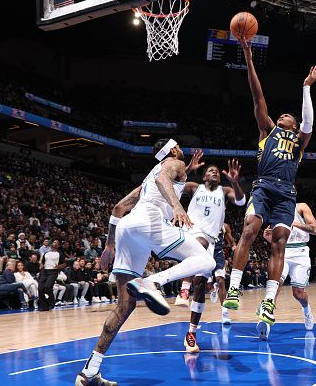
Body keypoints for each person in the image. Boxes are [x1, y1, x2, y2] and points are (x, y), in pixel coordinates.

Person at [75, 139, 216, 386]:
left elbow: (119, 208)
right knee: (206, 262)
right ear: (173, 150)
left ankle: (89, 372)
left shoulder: (152, 176)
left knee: (124, 306)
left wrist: (109, 245)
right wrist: (177, 206)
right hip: (150, 223)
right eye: (179, 147)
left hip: (127, 228)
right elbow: (165, 180)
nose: (182, 150)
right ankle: (152, 282)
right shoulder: (175, 162)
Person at [223, 40, 316, 327]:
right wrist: (249, 59)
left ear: (293, 124)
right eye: (282, 115)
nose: (283, 115)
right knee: (250, 230)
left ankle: (268, 301)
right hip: (264, 186)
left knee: (279, 244)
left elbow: (309, 122)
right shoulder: (267, 130)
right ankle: (234, 287)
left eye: (288, 116)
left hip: (287, 193)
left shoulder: (299, 142)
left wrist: (306, 87)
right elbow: (257, 96)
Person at [180, 161, 245, 353]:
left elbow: (241, 201)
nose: (214, 172)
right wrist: (188, 170)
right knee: (198, 246)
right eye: (210, 171)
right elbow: (174, 183)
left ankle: (191, 333)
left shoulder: (224, 191)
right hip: (191, 233)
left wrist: (235, 182)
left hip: (211, 241)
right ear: (204, 176)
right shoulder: (194, 187)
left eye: (217, 171)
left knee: (200, 286)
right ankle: (183, 289)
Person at [261, 203, 316, 339]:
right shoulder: (275, 210)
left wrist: (295, 224)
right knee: (275, 286)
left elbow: (315, 230)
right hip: (282, 252)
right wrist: (269, 238)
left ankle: (306, 310)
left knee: (298, 294)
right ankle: (264, 321)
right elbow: (276, 238)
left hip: (301, 252)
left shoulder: (301, 207)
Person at [208, 222, 236, 325]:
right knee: (207, 286)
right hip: (206, 254)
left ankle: (224, 313)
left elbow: (231, 240)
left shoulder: (224, 226)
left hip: (218, 255)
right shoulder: (205, 220)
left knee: (221, 281)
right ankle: (213, 288)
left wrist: (234, 246)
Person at [37, 239, 66, 311]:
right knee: (40, 289)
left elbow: (64, 264)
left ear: (58, 245)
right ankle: (45, 306)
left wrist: (58, 267)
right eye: (54, 242)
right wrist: (41, 265)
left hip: (53, 272)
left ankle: (52, 302)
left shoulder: (60, 254)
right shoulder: (46, 253)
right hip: (44, 271)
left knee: (48, 286)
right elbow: (42, 262)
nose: (55, 243)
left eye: (56, 242)